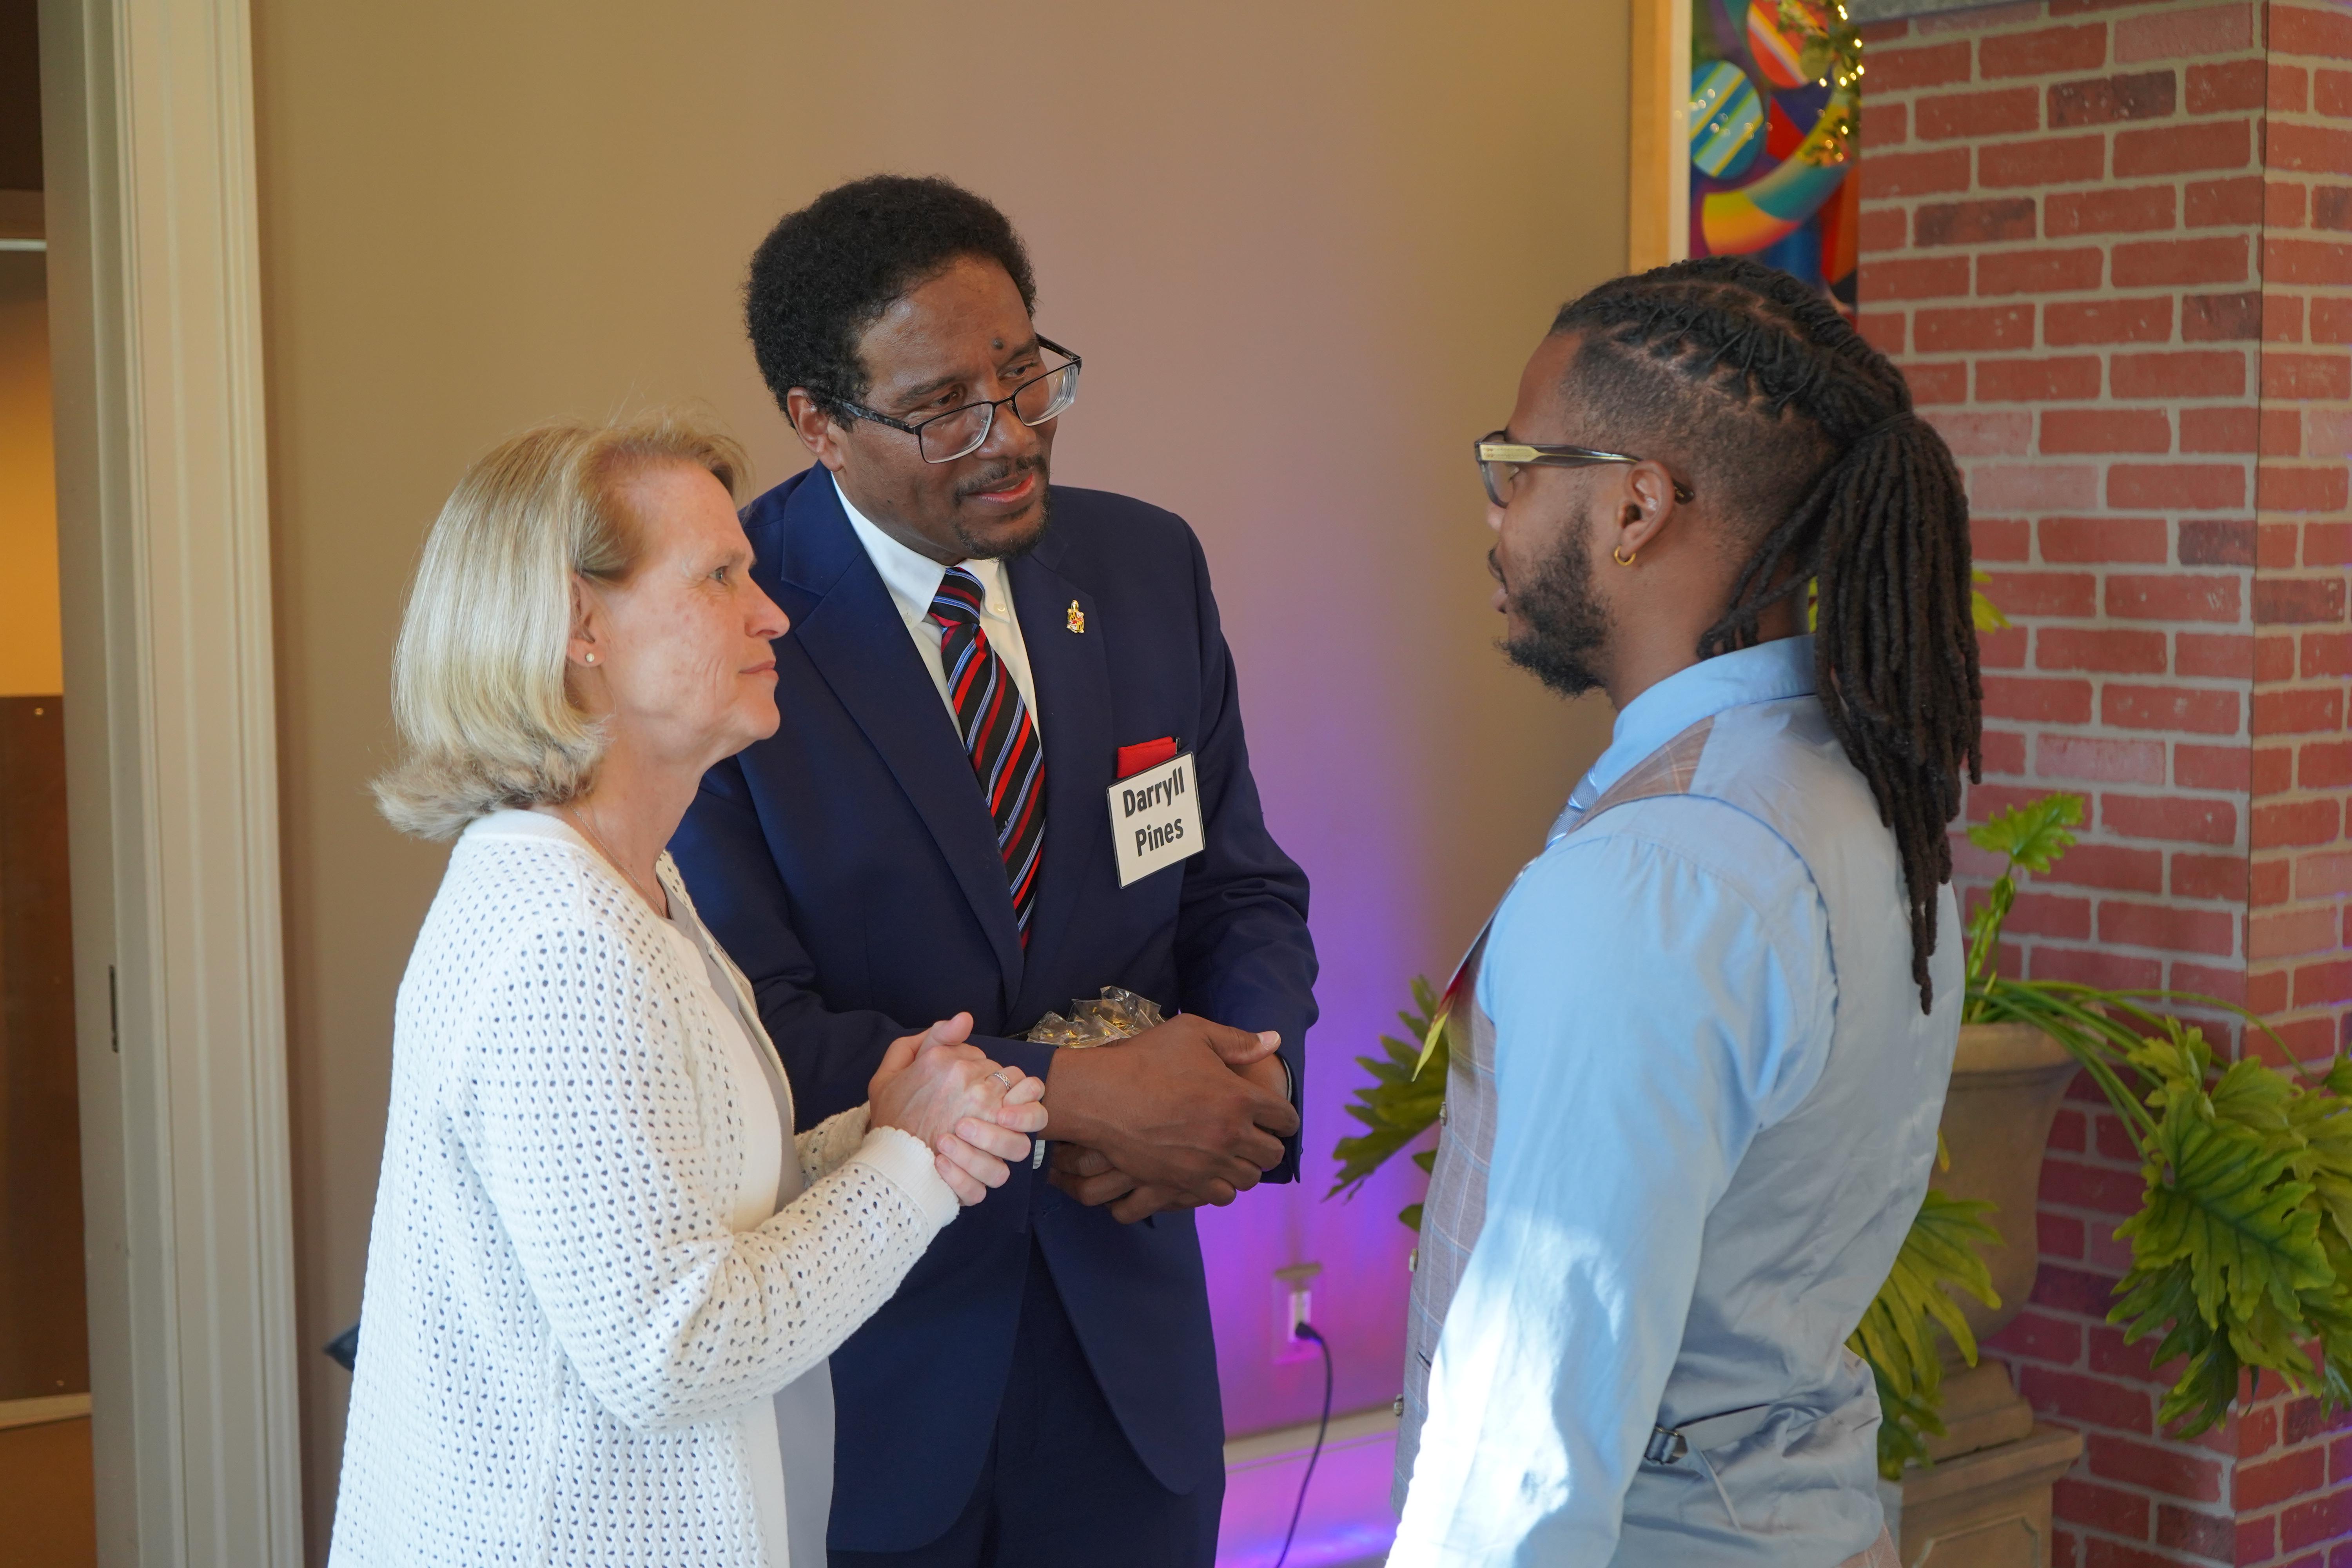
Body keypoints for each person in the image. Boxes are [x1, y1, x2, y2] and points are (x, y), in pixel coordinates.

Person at [667, 175, 1316, 1567]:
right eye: (944, 405)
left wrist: (1244, 1089)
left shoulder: (1146, 566)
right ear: (817, 421)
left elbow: (1236, 887)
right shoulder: (735, 621)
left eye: (1027, 375)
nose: (1010, 435)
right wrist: (1082, 1095)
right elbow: (749, 1035)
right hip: (873, 1375)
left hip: (1125, 1353)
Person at [328, 415, 1048, 1568]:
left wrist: (885, 1128)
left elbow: (678, 1209)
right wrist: (913, 1166)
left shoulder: (635, 885)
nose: (771, 614)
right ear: (580, 627)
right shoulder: (560, 937)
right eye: (719, 577)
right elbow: (676, 1347)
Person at [1390, 256, 1981, 1566]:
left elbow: (1535, 1433)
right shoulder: (1859, 798)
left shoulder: (1661, 882)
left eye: (1518, 467)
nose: (1494, 514)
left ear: (1638, 504)